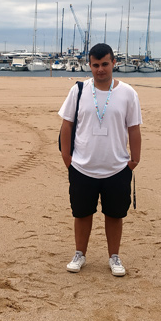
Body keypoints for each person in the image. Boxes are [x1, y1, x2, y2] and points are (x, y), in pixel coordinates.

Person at [59, 43, 142, 277]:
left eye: (105, 64)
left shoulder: (127, 93)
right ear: (90, 65)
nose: (100, 70)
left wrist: (134, 160)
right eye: (95, 65)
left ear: (114, 63)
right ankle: (79, 254)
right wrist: (67, 158)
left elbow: (134, 128)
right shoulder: (78, 91)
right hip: (82, 166)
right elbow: (67, 125)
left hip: (117, 167)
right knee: (81, 213)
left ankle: (114, 257)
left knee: (115, 215)